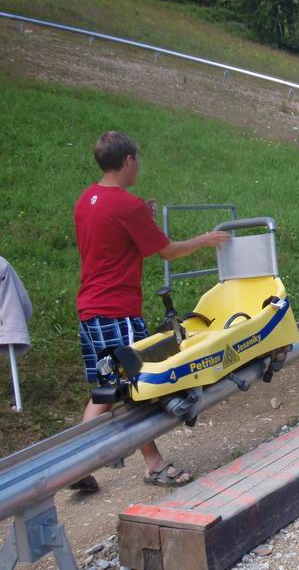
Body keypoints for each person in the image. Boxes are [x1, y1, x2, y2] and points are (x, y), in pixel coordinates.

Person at [71, 131, 230, 492]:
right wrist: (206, 240)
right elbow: (167, 251)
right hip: (117, 310)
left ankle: (76, 465)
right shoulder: (128, 206)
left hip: (90, 309)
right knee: (137, 385)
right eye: (137, 159)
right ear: (128, 160)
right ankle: (154, 465)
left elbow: (113, 238)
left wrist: (143, 217)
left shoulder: (86, 200)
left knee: (105, 386)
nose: (138, 165)